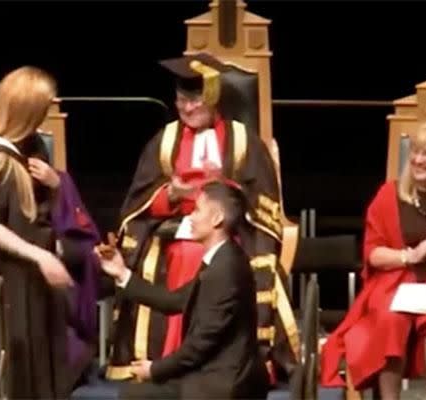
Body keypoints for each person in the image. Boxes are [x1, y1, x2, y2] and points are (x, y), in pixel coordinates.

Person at [109, 52, 297, 383]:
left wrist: (225, 196)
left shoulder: (243, 142)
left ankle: (206, 357)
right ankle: (169, 357)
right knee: (182, 253)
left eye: (195, 101)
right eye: (181, 100)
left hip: (227, 235)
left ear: (213, 98)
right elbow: (137, 204)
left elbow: (263, 202)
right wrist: (172, 195)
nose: (187, 108)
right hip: (171, 234)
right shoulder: (164, 142)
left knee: (207, 256)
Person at [0, 66, 97, 399]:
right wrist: (41, 256)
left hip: (28, 285)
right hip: (6, 285)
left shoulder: (22, 154)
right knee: (12, 375)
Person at [320, 121, 426, 399]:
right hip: (395, 280)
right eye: (414, 151)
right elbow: (373, 254)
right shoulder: (388, 195)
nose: (417, 159)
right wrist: (408, 256)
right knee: (389, 316)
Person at [97, 180, 270, 399]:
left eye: (197, 210)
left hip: (223, 382)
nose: (190, 217)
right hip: (212, 372)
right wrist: (122, 273)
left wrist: (155, 369)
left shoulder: (225, 269)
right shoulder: (221, 257)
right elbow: (174, 300)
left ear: (217, 219)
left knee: (134, 395)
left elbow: (200, 344)